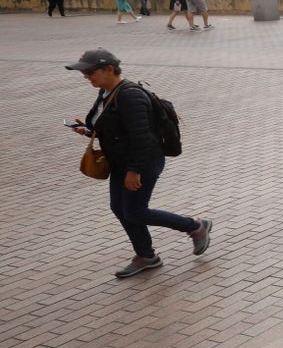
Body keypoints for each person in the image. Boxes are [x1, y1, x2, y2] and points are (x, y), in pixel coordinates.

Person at [65, 49, 211, 278]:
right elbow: (117, 129)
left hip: (142, 161)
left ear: (109, 69)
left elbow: (142, 138)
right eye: (84, 72)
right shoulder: (107, 92)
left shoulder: (130, 96)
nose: (86, 77)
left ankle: (194, 226)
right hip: (122, 161)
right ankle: (147, 256)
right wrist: (89, 130)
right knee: (120, 208)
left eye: (90, 72)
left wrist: (134, 171)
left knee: (135, 211)